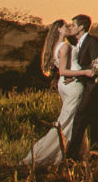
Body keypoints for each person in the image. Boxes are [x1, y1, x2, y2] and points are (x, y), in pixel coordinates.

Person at [20, 19, 81, 167]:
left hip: (66, 85)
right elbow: (64, 71)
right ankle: (51, 152)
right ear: (60, 30)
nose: (69, 28)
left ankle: (71, 151)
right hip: (71, 85)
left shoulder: (56, 46)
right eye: (66, 26)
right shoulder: (64, 46)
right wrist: (86, 72)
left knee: (69, 118)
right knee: (68, 120)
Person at [63, 13, 98, 158]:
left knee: (80, 117)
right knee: (95, 119)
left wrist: (85, 78)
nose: (71, 28)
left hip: (94, 87)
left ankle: (71, 155)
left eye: (73, 25)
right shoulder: (78, 42)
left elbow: (97, 65)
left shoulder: (92, 41)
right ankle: (96, 151)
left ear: (81, 27)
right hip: (88, 85)